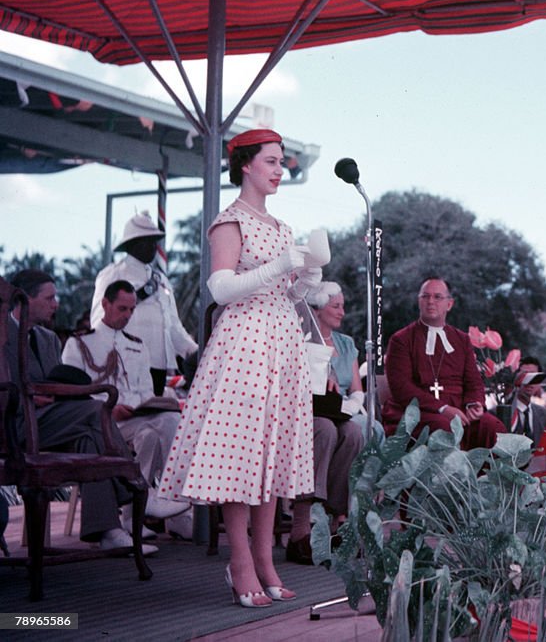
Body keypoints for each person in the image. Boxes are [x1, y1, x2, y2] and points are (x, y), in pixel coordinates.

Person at [158, 128, 318, 608]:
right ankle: (241, 562)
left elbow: (283, 292)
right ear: (245, 165)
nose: (279, 170)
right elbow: (221, 290)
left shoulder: (282, 227)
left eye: (282, 162)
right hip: (245, 341)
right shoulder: (229, 222)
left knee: (272, 452)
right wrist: (276, 269)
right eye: (271, 161)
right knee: (241, 454)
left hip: (282, 340)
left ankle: (266, 559)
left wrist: (304, 279)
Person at [4, 269, 156, 555]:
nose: (56, 304)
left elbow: (58, 382)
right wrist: (29, 396)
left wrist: (53, 392)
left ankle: (108, 531)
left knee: (89, 440)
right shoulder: (2, 336)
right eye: (49, 298)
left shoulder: (48, 339)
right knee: (97, 410)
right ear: (24, 300)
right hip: (15, 424)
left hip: (49, 423)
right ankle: (135, 488)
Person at [63, 279, 189, 528]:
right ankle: (175, 504)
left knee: (157, 429)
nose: (128, 315)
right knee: (163, 425)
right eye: (122, 309)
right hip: (101, 424)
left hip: (135, 420)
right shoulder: (79, 344)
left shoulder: (137, 345)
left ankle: (140, 515)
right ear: (105, 304)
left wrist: (146, 405)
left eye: (132, 310)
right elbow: (72, 393)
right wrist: (108, 408)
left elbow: (143, 391)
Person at [286, 281, 366, 566]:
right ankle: (301, 528)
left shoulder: (345, 343)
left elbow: (356, 389)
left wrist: (352, 405)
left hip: (338, 408)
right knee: (324, 430)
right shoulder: (300, 337)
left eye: (343, 305)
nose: (342, 312)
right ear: (318, 309)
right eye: (336, 306)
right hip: (305, 409)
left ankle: (338, 520)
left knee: (354, 432)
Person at [383, 278, 505, 447]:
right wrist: (442, 408)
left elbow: (474, 382)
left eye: (438, 297)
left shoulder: (461, 339)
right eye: (425, 296)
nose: (431, 301)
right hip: (419, 411)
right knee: (444, 429)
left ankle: (490, 475)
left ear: (449, 304)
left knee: (492, 426)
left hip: (459, 410)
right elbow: (401, 388)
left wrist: (474, 404)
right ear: (419, 301)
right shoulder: (401, 339)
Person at [92, 210, 198, 396]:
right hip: (124, 364)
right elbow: (98, 322)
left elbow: (173, 327)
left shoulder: (162, 280)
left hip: (158, 366)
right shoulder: (112, 274)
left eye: (154, 241)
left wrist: (194, 351)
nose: (153, 247)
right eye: (146, 241)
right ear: (132, 245)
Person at [508, 356, 546, 448]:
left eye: (534, 376)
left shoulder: (543, 413)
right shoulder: (503, 412)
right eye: (525, 375)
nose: (529, 381)